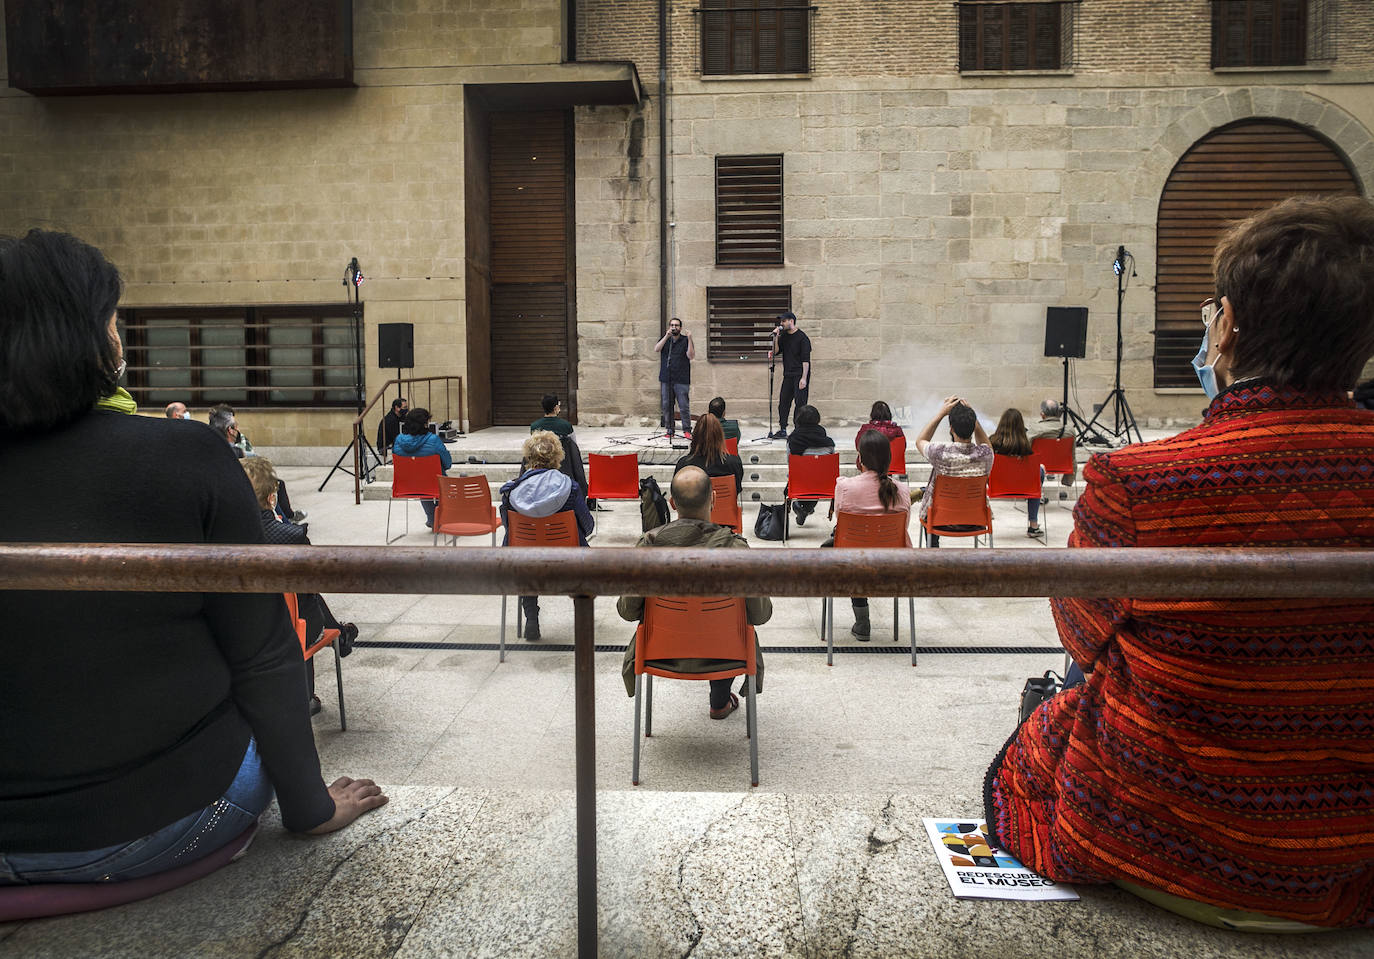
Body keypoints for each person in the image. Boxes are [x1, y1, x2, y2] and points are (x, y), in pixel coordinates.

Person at [985, 195, 1374, 929]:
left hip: (1164, 850)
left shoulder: (1138, 481)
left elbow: (1078, 638)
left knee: (1064, 700)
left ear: (1226, 327)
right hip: (1349, 865)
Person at [0, 229, 386, 884]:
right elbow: (263, 653)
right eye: (114, 323)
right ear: (89, 339)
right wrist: (310, 806)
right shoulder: (186, 455)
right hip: (157, 824)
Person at [616, 466, 771, 719]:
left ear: (672, 503)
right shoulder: (736, 550)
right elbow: (761, 614)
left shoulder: (648, 547)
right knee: (733, 628)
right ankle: (720, 700)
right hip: (726, 654)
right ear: (713, 499)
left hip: (661, 652)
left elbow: (627, 611)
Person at [241, 457, 358, 716]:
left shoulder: (220, 534)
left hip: (240, 627)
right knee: (302, 609)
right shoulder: (290, 536)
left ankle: (340, 633)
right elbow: (316, 579)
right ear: (272, 499)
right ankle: (306, 697)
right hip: (291, 627)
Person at [499, 431, 595, 642]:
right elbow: (587, 526)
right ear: (558, 457)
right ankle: (582, 618)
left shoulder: (511, 492)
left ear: (528, 458)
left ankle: (531, 618)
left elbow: (510, 532)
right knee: (589, 561)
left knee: (526, 557)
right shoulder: (570, 488)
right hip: (567, 561)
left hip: (526, 563)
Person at [828, 430, 911, 637]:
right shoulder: (902, 490)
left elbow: (841, 520)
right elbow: (904, 528)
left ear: (860, 459)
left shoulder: (844, 486)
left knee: (849, 548)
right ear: (889, 459)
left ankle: (862, 620)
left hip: (851, 566)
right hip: (893, 566)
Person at [913, 396, 992, 547]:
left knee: (928, 505)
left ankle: (933, 553)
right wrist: (972, 418)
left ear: (951, 428)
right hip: (975, 520)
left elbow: (920, 441)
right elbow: (987, 445)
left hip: (940, 521)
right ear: (973, 426)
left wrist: (940, 414)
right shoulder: (985, 455)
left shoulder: (940, 452)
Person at [208, 404, 305, 523]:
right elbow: (255, 465)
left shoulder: (208, 441)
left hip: (220, 493)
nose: (238, 429)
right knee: (269, 485)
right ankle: (285, 523)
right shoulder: (235, 451)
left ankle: (286, 520)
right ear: (230, 430)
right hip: (239, 491)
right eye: (236, 426)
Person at [391, 406, 451, 529]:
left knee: (423, 482)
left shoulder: (398, 440)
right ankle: (439, 518)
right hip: (433, 484)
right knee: (436, 481)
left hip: (405, 485)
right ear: (424, 424)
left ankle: (432, 518)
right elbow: (448, 463)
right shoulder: (433, 440)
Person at [988, 407, 1045, 538]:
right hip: (1024, 486)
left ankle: (985, 512)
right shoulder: (1025, 444)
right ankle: (1033, 524)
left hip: (998, 486)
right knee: (1039, 472)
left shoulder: (993, 441)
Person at [786, 404, 834, 525]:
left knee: (809, 476)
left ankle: (804, 508)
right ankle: (804, 508)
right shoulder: (829, 443)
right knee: (817, 474)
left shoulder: (792, 441)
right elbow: (829, 467)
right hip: (825, 484)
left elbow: (790, 464)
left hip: (799, 483)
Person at [674, 413, 743, 495]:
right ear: (720, 436)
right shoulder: (734, 463)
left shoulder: (684, 465)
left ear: (695, 436)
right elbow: (736, 490)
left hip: (694, 507)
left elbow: (676, 494)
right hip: (725, 507)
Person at [769, 310, 811, 439]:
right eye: (781, 321)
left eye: (783, 321)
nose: (781, 323)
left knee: (800, 403)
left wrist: (804, 378)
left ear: (791, 321)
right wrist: (776, 337)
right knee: (783, 402)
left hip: (800, 374)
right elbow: (776, 351)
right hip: (788, 374)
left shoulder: (802, 338)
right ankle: (782, 429)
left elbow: (806, 360)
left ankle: (799, 430)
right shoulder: (784, 336)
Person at [656, 316, 695, 439]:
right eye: (672, 325)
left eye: (676, 325)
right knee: (667, 406)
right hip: (666, 378)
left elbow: (691, 355)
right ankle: (670, 430)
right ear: (669, 327)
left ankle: (687, 430)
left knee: (683, 406)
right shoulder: (665, 340)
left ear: (680, 328)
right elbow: (656, 349)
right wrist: (666, 336)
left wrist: (690, 339)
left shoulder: (685, 340)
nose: (674, 327)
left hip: (681, 379)